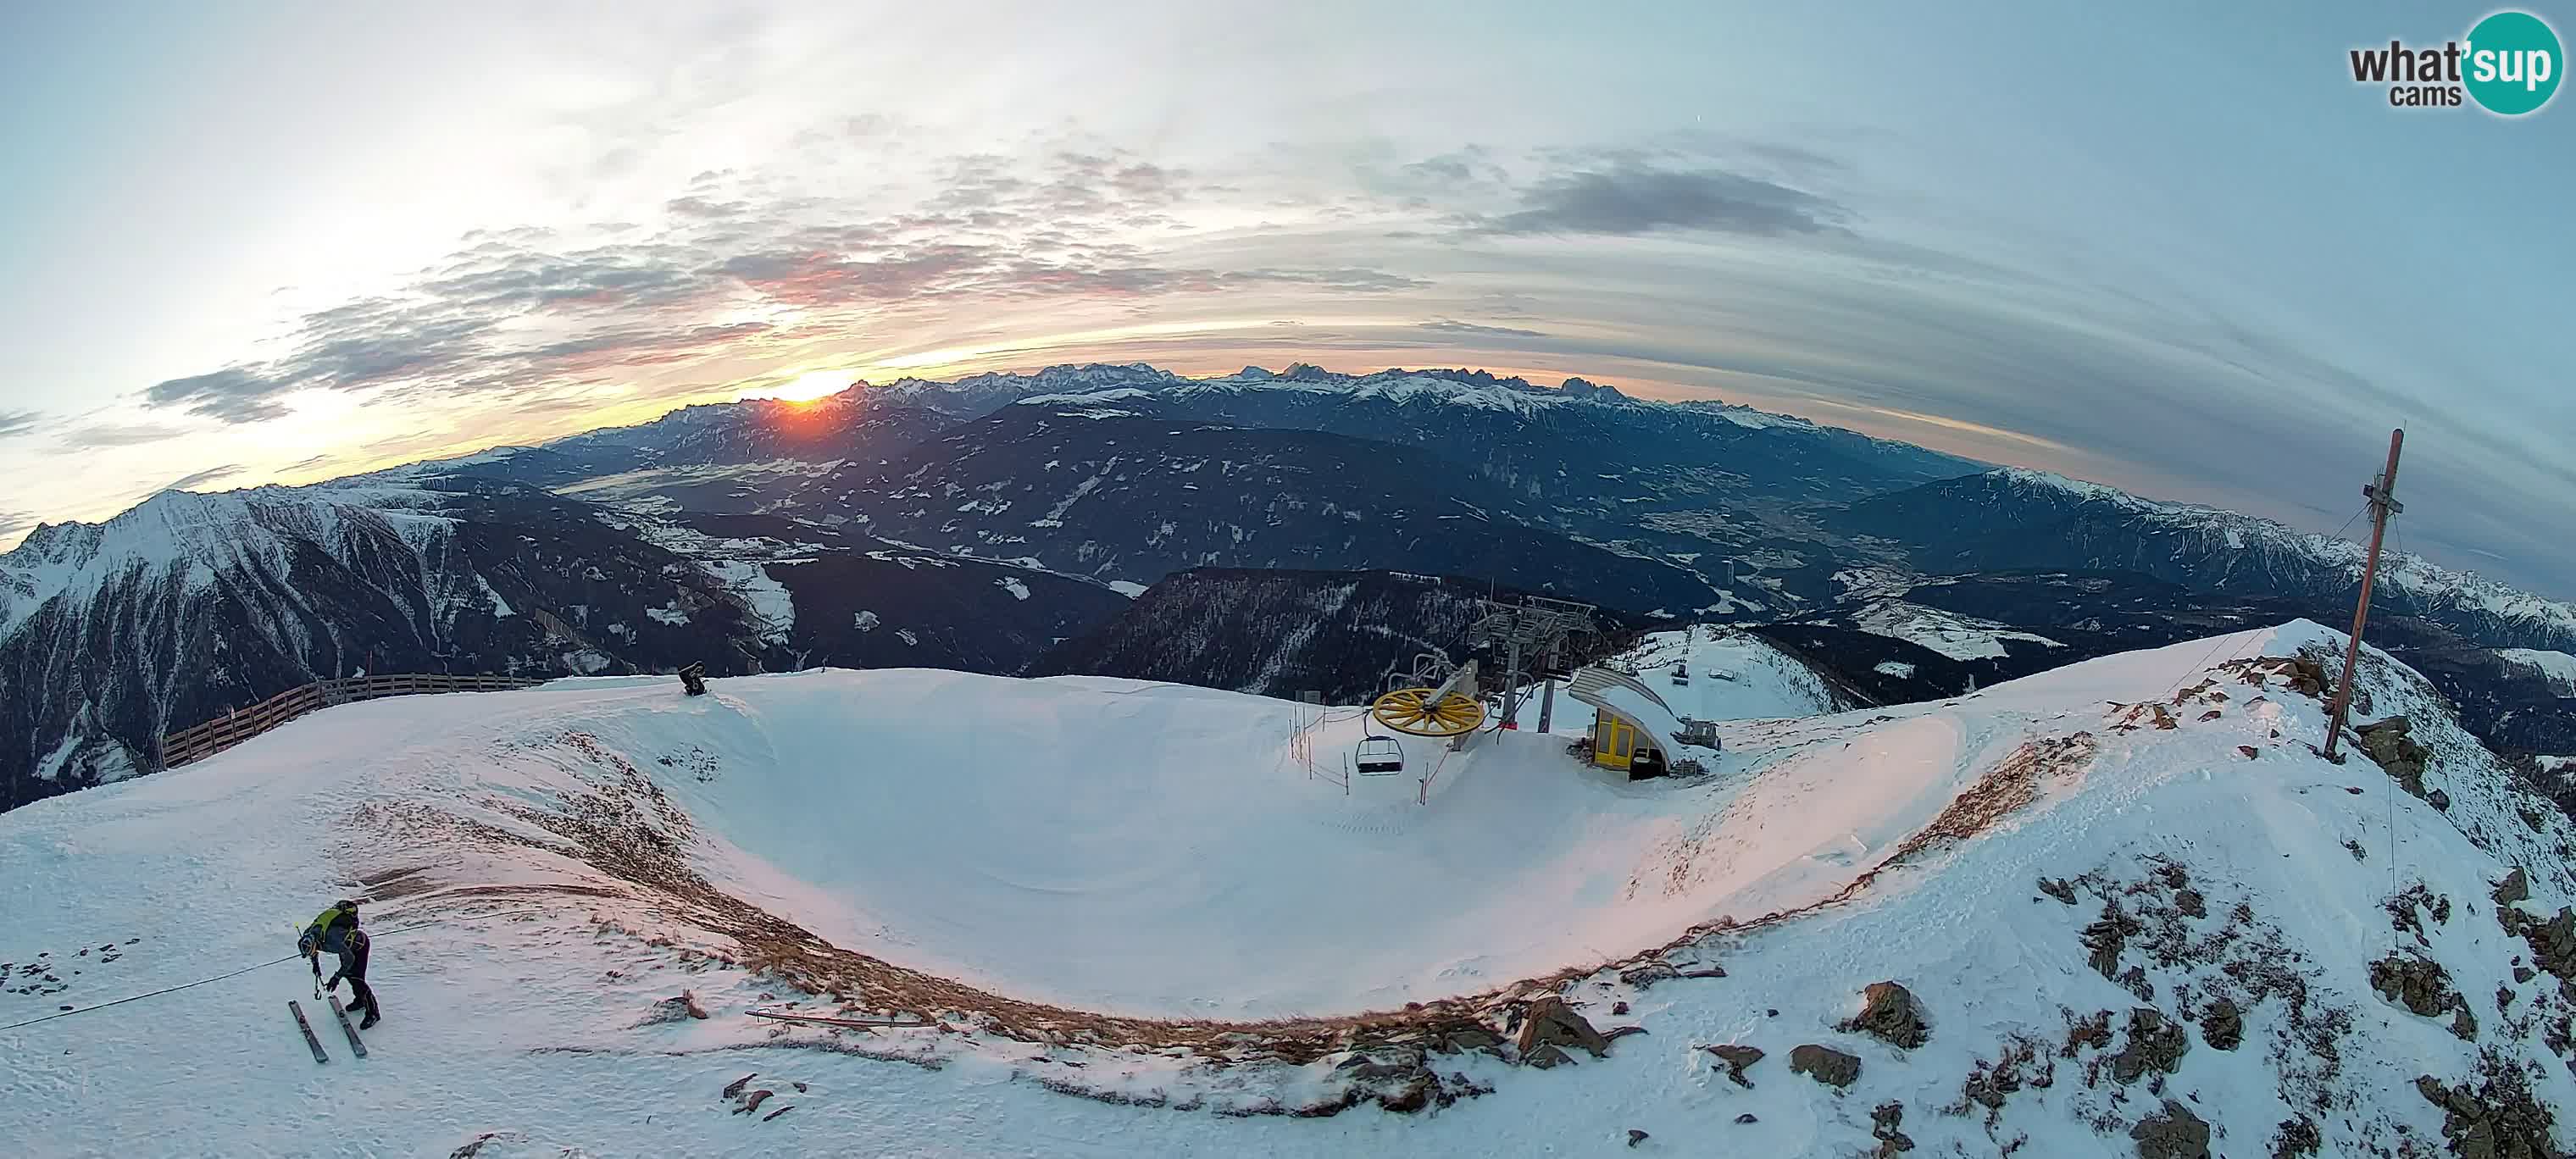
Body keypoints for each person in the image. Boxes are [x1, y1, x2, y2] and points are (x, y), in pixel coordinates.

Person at [325, 921, 379, 1029]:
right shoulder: (314, 935)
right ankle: (360, 1000)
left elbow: (349, 961)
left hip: (360, 945)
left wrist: (336, 978)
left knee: (357, 979)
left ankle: (373, 1014)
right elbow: (314, 952)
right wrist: (315, 966)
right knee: (350, 975)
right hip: (347, 946)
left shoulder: (335, 942)